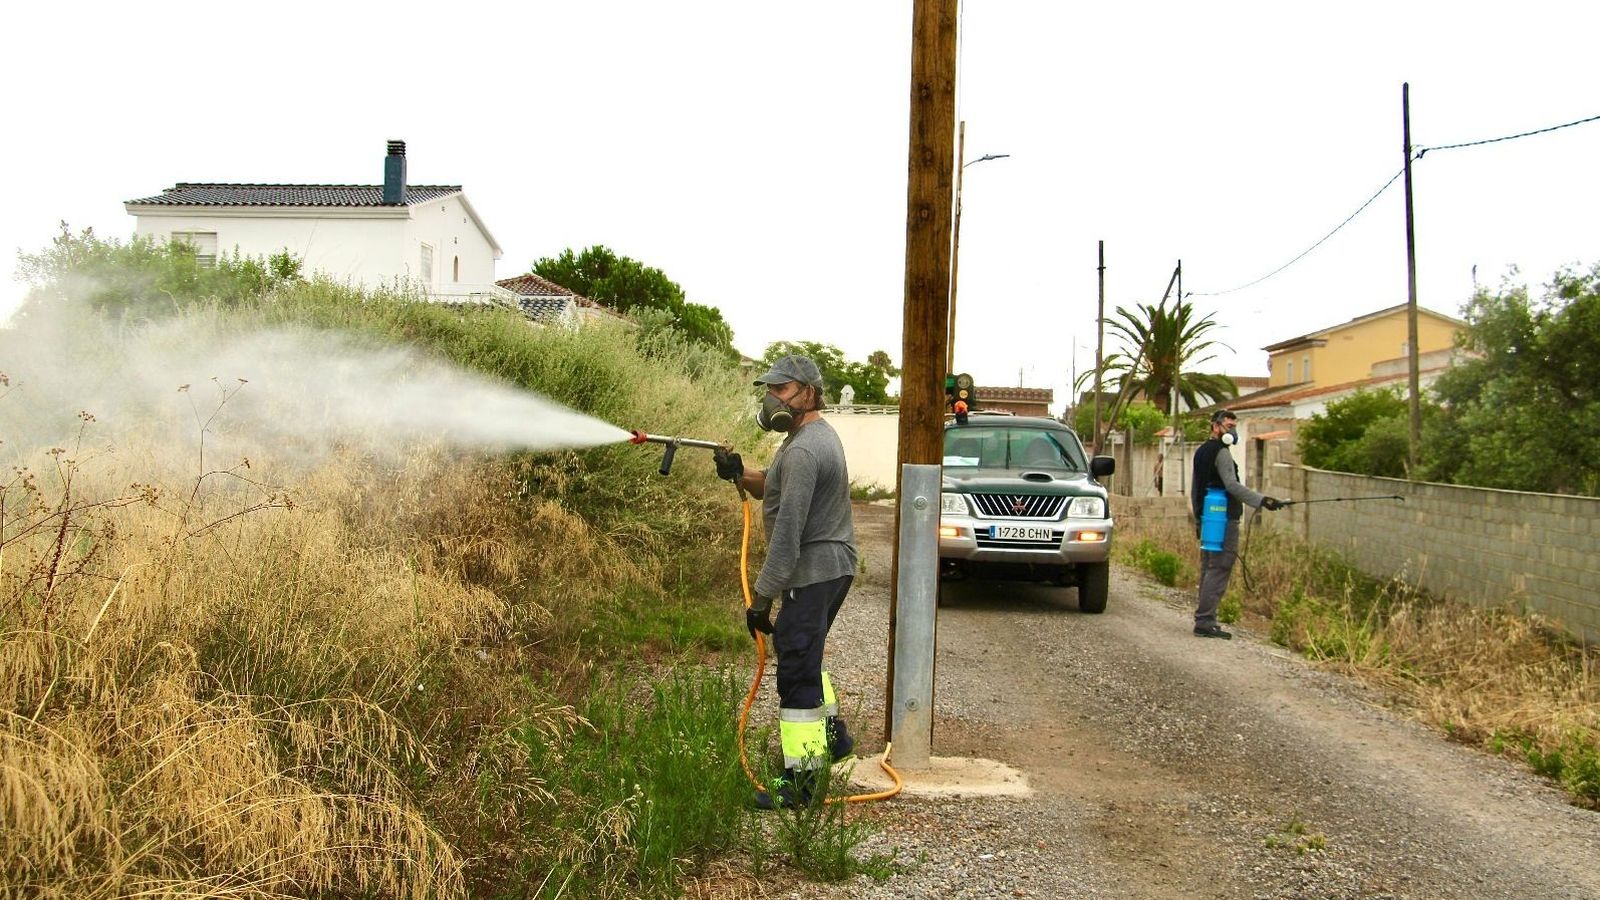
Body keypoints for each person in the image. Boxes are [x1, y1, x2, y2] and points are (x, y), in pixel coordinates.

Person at [712, 355, 858, 808]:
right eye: (770, 389)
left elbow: (787, 539)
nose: (772, 397)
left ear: (809, 393)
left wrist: (761, 600)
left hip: (813, 570)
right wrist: (742, 474)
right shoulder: (810, 437)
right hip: (835, 565)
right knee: (805, 648)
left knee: (795, 663)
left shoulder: (802, 449)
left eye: (783, 389)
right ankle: (834, 739)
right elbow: (773, 485)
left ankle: (803, 785)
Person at [1190, 409, 1286, 639]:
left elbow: (1195, 489)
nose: (1232, 431)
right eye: (1229, 426)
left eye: (1234, 426)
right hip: (1223, 519)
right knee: (1220, 567)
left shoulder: (1201, 451)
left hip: (1208, 518)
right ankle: (1205, 621)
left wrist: (1198, 518)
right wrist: (1263, 500)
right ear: (1216, 427)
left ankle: (1204, 619)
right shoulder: (1221, 453)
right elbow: (1232, 486)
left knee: (1208, 568)